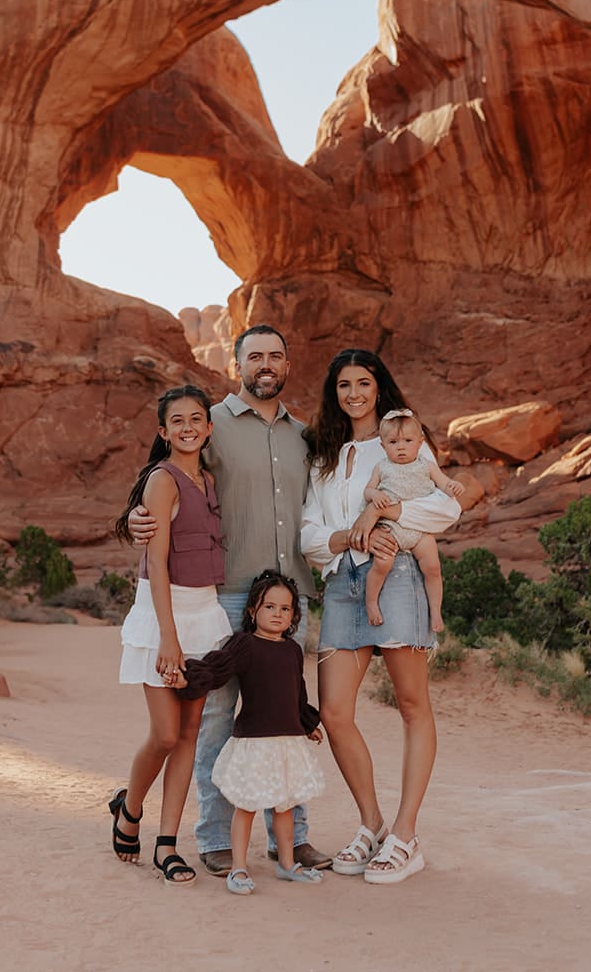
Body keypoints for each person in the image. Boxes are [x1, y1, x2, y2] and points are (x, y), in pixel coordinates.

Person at [129, 325, 332, 876]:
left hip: (288, 599)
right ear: (237, 364)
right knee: (216, 721)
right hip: (223, 597)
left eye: (276, 355)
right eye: (255, 356)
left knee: (284, 717)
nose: (266, 363)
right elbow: (160, 478)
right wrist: (134, 518)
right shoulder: (208, 422)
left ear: (288, 364)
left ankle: (291, 838)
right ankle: (216, 836)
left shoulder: (305, 436)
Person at [300, 349, 461, 885]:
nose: (354, 393)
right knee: (335, 710)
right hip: (342, 582)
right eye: (343, 384)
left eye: (363, 382)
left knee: (413, 704)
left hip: (397, 577)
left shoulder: (402, 437)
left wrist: (390, 515)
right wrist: (341, 538)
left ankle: (406, 834)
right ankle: (371, 825)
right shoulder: (324, 453)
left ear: (378, 385)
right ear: (334, 392)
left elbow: (445, 508)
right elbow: (308, 530)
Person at [107, 385, 230, 888]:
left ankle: (167, 846)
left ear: (208, 427)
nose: (186, 427)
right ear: (163, 431)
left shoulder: (207, 479)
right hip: (165, 614)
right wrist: (168, 639)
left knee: (188, 737)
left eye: (196, 419)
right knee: (164, 734)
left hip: (206, 612)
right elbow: (155, 562)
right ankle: (130, 807)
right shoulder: (163, 480)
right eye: (176, 421)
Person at [171, 570, 328, 895]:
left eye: (285, 609)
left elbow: (296, 693)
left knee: (284, 806)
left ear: (294, 615)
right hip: (254, 744)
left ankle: (287, 863)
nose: (277, 614)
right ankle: (239, 868)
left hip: (286, 743)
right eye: (269, 607)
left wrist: (308, 723)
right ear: (252, 611)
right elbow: (218, 667)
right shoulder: (245, 645)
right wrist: (188, 677)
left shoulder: (292, 651)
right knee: (246, 806)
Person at [356, 408, 465, 632]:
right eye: (393, 442)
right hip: (390, 526)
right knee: (382, 564)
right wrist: (375, 495)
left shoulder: (427, 466)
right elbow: (367, 491)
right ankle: (371, 603)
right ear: (383, 445)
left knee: (433, 568)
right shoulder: (382, 467)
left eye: (408, 440)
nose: (401, 447)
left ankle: (435, 611)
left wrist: (452, 486)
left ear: (420, 442)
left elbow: (443, 484)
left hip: (419, 526)